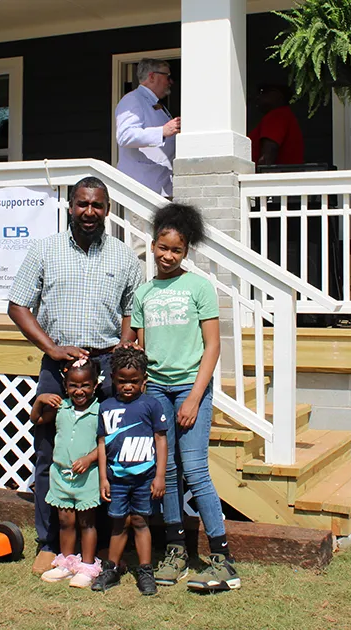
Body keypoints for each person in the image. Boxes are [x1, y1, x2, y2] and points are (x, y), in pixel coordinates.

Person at [7, 176, 144, 575]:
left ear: (107, 209)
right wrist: (51, 348)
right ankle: (49, 544)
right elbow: (17, 305)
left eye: (97, 206)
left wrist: (123, 348)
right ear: (70, 206)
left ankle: (95, 547)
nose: (89, 212)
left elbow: (131, 312)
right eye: (82, 204)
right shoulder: (44, 250)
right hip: (59, 367)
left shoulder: (123, 257)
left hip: (105, 370)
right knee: (52, 453)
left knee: (109, 452)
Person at [127, 203, 240, 593]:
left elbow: (212, 347)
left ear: (186, 251)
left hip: (191, 389)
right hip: (156, 389)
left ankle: (222, 558)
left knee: (194, 469)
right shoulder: (143, 293)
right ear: (153, 245)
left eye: (176, 250)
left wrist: (194, 397)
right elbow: (139, 348)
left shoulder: (199, 287)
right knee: (168, 472)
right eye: (162, 247)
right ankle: (175, 550)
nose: (167, 255)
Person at [91, 346, 168, 595]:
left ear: (144, 381)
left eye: (134, 381)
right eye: (122, 381)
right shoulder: (106, 407)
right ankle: (111, 569)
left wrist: (159, 476)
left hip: (145, 478)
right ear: (113, 379)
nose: (127, 386)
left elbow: (160, 440)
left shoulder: (152, 406)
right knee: (118, 523)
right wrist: (103, 477)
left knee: (140, 520)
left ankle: (145, 571)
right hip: (117, 479)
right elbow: (102, 443)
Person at [31, 358, 102, 589]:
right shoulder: (61, 407)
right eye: (73, 386)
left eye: (85, 386)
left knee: (87, 522)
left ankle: (88, 566)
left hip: (87, 475)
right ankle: (67, 563)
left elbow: (106, 442)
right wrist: (40, 400)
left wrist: (89, 458)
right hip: (61, 475)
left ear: (95, 385)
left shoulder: (99, 410)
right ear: (65, 385)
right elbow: (37, 419)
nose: (79, 391)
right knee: (65, 520)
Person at [115, 58, 180, 197]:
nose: (170, 82)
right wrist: (162, 131)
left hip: (159, 186)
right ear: (152, 76)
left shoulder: (156, 104)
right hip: (142, 188)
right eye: (167, 76)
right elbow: (125, 136)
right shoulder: (133, 99)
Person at [248, 84, 304, 167]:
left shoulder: (277, 114)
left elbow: (268, 155)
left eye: (263, 92)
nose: (258, 97)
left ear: (278, 95)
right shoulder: (286, 115)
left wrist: (261, 177)